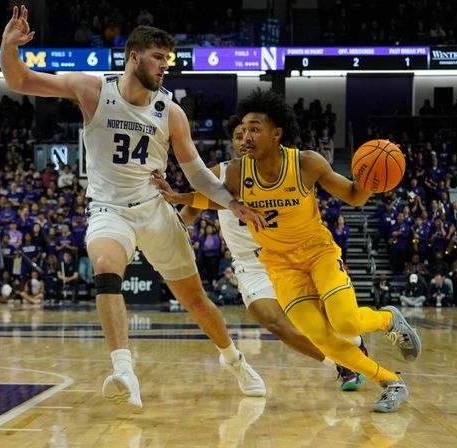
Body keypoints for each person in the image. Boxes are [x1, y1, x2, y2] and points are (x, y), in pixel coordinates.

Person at [1, 8, 266, 409]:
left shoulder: (170, 112)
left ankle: (233, 357)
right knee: (106, 266)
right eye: (158, 57)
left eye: (167, 59)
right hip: (109, 208)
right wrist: (8, 46)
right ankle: (123, 369)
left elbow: (197, 174)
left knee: (195, 300)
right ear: (134, 57)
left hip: (154, 209)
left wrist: (232, 203)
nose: (165, 66)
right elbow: (19, 79)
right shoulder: (92, 90)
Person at [220, 89, 421, 411]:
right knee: (321, 338)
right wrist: (177, 197)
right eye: (242, 131)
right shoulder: (234, 171)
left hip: (317, 252)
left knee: (346, 324)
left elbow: (354, 197)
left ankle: (386, 319)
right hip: (281, 265)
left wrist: (371, 178)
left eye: (255, 129)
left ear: (277, 133)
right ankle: (390, 382)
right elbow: (207, 198)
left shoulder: (306, 163)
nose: (246, 137)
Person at [152, 115, 368, 392]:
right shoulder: (218, 174)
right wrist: (173, 235)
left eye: (251, 133)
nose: (245, 140)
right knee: (273, 321)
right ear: (232, 142)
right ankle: (341, 364)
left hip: (289, 254)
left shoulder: (284, 169)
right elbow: (192, 210)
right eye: (239, 136)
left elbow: (345, 193)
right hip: (249, 265)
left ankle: (355, 343)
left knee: (329, 319)